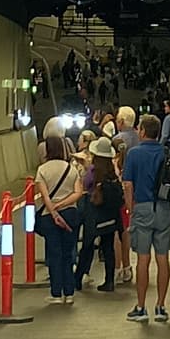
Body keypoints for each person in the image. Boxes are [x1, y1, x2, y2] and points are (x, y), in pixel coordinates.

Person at [123, 111, 170, 324]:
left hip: (142, 207)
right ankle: (161, 306)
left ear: (143, 131)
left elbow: (128, 184)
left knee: (142, 259)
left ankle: (141, 307)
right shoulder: (167, 153)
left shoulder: (134, 154)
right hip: (163, 208)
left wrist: (131, 209)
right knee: (163, 258)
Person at [34, 131, 85, 306]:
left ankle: (56, 293)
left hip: (49, 217)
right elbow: (78, 193)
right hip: (70, 214)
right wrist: (63, 204)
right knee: (68, 254)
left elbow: (44, 196)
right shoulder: (71, 169)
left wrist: (53, 210)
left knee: (54, 253)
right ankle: (69, 293)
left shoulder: (42, 170)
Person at [77, 136, 124, 292]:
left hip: (95, 215)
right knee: (108, 248)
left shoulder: (93, 171)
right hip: (110, 216)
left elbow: (85, 185)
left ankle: (77, 279)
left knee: (87, 246)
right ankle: (109, 281)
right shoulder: (112, 172)